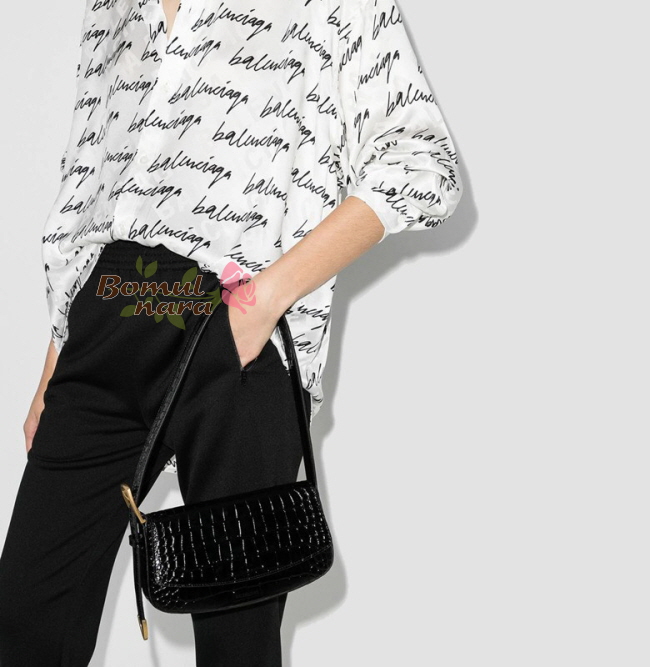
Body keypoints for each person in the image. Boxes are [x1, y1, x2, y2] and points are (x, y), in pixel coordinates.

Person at [0, 0, 463, 664]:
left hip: (237, 340)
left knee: (235, 645)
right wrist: (56, 360)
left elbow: (423, 162)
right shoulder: (110, 6)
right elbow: (86, 188)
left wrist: (262, 302)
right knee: (25, 620)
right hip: (106, 321)